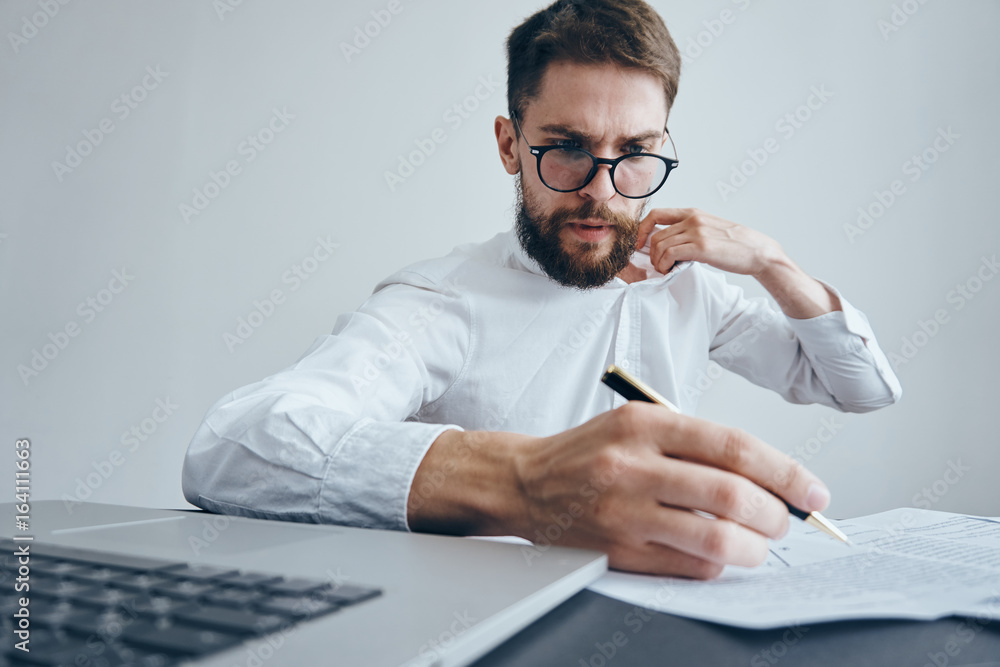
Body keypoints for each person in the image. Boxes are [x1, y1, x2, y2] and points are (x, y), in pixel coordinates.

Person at [182, 0, 900, 579]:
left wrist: (773, 264)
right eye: (566, 149)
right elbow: (231, 449)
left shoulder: (689, 290)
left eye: (635, 155)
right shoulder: (444, 301)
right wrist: (524, 480)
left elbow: (862, 387)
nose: (600, 191)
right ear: (508, 144)